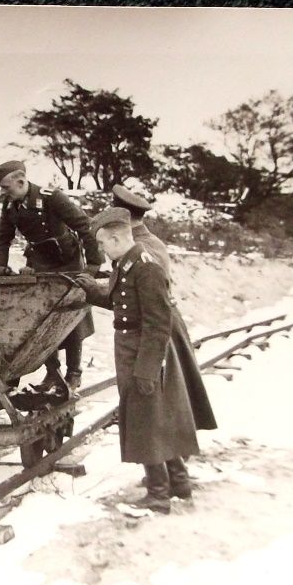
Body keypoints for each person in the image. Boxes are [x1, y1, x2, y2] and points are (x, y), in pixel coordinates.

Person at [74, 207, 199, 514]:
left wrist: (147, 369)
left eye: (103, 244)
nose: (101, 251)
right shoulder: (125, 264)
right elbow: (120, 303)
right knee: (155, 416)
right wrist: (90, 290)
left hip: (143, 349)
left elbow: (158, 323)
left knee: (146, 420)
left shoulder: (147, 268)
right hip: (129, 346)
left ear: (117, 237)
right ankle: (179, 483)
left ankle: (159, 494)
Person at [111, 184, 218, 433]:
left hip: (158, 327)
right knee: (163, 401)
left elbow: (150, 290)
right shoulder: (137, 243)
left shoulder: (144, 248)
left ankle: (174, 466)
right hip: (156, 323)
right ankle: (170, 465)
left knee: (165, 401)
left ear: (124, 217)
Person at [0, 160, 103, 391]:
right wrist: (0, 266)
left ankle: (74, 373)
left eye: (6, 187)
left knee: (71, 316)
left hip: (68, 261)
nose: (3, 192)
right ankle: (53, 372)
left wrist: (93, 264)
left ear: (21, 181)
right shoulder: (10, 206)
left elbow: (84, 226)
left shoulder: (51, 197)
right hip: (41, 262)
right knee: (41, 317)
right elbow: (2, 237)